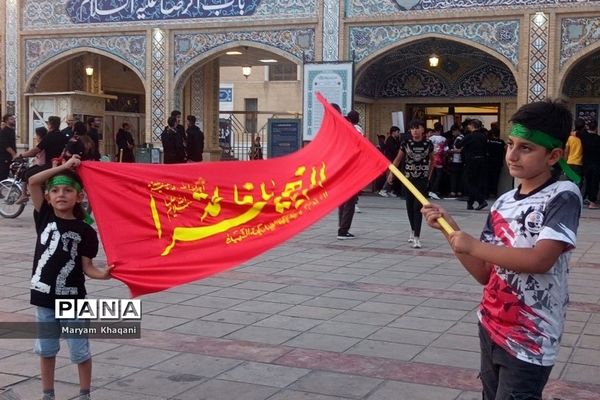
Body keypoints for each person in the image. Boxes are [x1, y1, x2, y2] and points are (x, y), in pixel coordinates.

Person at [422, 99, 582, 400]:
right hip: (491, 324)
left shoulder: (562, 195)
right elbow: (484, 273)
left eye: (526, 148)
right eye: (510, 144)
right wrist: (452, 232)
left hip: (531, 337)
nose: (512, 154)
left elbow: (540, 260)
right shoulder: (503, 202)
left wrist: (473, 244)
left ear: (554, 156)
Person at [28, 156, 112, 400]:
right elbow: (33, 181)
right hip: (43, 300)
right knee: (46, 350)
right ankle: (48, 394)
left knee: (79, 350)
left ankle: (84, 393)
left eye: (67, 190)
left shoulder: (86, 231)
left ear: (80, 196)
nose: (60, 194)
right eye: (54, 190)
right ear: (47, 198)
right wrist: (64, 167)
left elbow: (88, 267)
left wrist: (103, 274)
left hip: (73, 301)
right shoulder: (44, 217)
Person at [387, 119, 433, 249]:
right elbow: (397, 160)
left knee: (418, 207)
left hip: (422, 180)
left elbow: (432, 160)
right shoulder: (406, 143)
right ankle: (412, 230)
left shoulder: (428, 144)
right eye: (412, 128)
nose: (415, 131)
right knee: (409, 205)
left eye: (417, 128)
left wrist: (428, 175)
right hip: (408, 179)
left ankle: (417, 237)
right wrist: (391, 173)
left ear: (423, 130)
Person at [456, 119, 488, 210]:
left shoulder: (469, 136)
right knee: (475, 182)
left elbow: (458, 145)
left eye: (469, 125)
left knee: (468, 182)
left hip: (471, 161)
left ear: (473, 126)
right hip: (481, 160)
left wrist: (459, 137)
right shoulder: (483, 136)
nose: (468, 127)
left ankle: (481, 201)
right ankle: (470, 203)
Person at [486, 124, 506, 198]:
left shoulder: (489, 141)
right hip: (498, 162)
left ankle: (487, 192)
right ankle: (494, 193)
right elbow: (505, 151)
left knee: (488, 178)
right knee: (496, 178)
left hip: (489, 161)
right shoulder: (502, 142)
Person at [564, 118, 585, 186]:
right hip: (579, 163)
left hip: (569, 162)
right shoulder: (584, 138)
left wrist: (565, 162)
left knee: (568, 183)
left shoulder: (570, 138)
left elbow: (566, 151)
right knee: (578, 182)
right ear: (584, 127)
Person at [0, 114, 17, 180]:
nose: (14, 120)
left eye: (14, 119)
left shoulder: (12, 130)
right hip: (4, 157)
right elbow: (6, 146)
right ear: (6, 121)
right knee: (3, 176)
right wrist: (14, 155)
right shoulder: (4, 131)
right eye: (11, 119)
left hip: (10, 157)